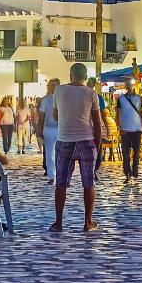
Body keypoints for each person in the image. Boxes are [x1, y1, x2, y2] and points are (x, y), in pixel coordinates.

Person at [51, 62, 106, 232]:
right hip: (86, 141)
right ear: (85, 77)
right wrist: (97, 147)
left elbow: (55, 116)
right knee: (88, 183)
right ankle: (88, 222)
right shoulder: (91, 94)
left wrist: (67, 123)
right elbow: (97, 125)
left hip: (64, 141)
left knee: (61, 183)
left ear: (70, 75)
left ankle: (59, 222)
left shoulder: (59, 90)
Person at [115, 78, 142, 179]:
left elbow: (141, 113)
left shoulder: (139, 98)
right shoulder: (121, 99)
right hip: (125, 130)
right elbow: (118, 113)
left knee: (136, 152)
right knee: (125, 153)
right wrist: (119, 127)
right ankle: (127, 171)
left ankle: (135, 171)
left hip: (137, 129)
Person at [37, 79, 60, 185]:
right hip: (49, 128)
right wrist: (39, 130)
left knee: (61, 153)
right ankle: (51, 175)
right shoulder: (45, 100)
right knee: (50, 153)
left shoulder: (62, 99)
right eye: (50, 85)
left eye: (54, 85)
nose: (52, 87)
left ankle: (60, 174)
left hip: (61, 129)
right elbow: (41, 117)